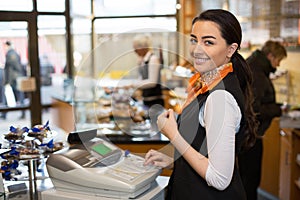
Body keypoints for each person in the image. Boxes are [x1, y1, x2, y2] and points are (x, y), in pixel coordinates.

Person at [143, 9, 257, 199]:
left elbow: (219, 179)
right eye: (194, 40)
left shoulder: (219, 98)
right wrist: (174, 159)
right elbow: (205, 150)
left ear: (231, 49)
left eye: (208, 42)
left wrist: (173, 134)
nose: (197, 50)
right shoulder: (207, 85)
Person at [238, 40, 287, 200]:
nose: (278, 65)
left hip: (245, 133)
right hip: (250, 135)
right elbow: (254, 109)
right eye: (278, 60)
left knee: (246, 178)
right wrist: (278, 109)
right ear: (270, 56)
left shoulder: (253, 65)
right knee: (250, 179)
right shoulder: (257, 73)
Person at [132, 34, 164, 108]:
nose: (135, 51)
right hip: (146, 100)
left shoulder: (153, 59)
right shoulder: (143, 61)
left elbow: (152, 82)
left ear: (143, 47)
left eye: (136, 49)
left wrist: (133, 84)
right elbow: (141, 78)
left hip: (155, 102)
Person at [3, 41, 26, 119]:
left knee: (18, 96)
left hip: (14, 78)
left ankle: (23, 112)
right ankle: (4, 113)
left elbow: (16, 67)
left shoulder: (11, 54)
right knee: (17, 96)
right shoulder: (12, 53)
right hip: (14, 77)